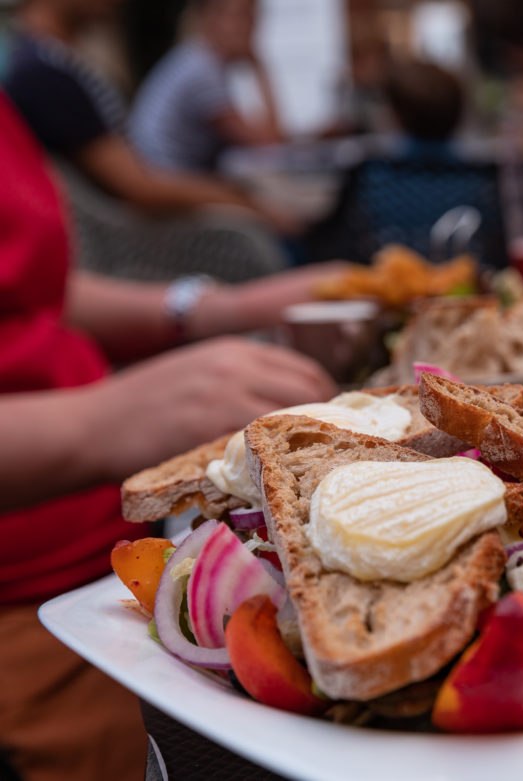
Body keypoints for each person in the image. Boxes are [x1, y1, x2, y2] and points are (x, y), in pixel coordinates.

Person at [0, 89, 340, 781]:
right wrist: (105, 419)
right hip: (30, 619)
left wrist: (218, 308)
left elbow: (32, 288)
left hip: (122, 564)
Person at [2, 0, 289, 229]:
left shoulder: (57, 61)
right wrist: (243, 202)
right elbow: (140, 189)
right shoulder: (43, 75)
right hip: (138, 242)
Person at [130, 0, 284, 174]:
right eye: (238, 16)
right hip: (165, 182)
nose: (248, 28)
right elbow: (268, 143)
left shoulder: (192, 58)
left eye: (253, 17)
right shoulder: (202, 71)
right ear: (209, 18)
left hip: (166, 176)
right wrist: (258, 67)